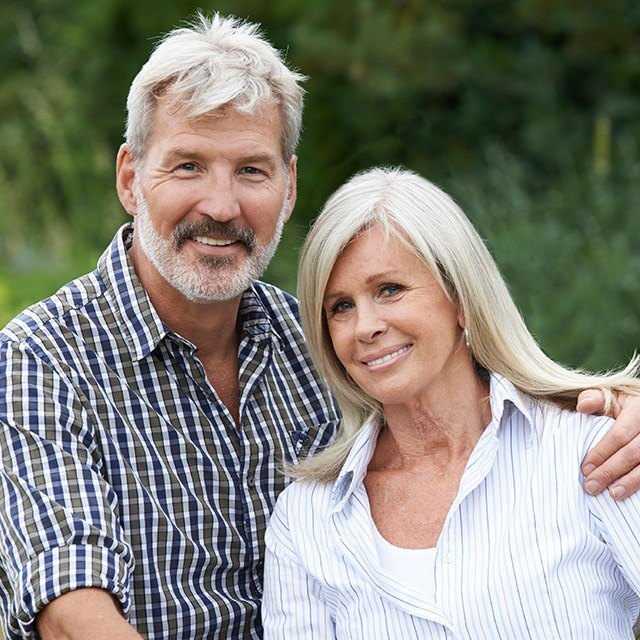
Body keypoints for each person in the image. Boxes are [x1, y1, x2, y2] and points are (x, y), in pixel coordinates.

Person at [0, 13, 637, 640]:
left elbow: (472, 387)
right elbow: (69, 619)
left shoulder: (310, 341)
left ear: (289, 184)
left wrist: (623, 407)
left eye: (251, 169)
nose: (222, 206)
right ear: (131, 178)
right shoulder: (41, 359)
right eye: (188, 166)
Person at [263, 167, 640, 639]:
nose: (365, 326)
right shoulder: (307, 520)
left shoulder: (596, 452)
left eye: (390, 290)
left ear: (460, 298)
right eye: (341, 306)